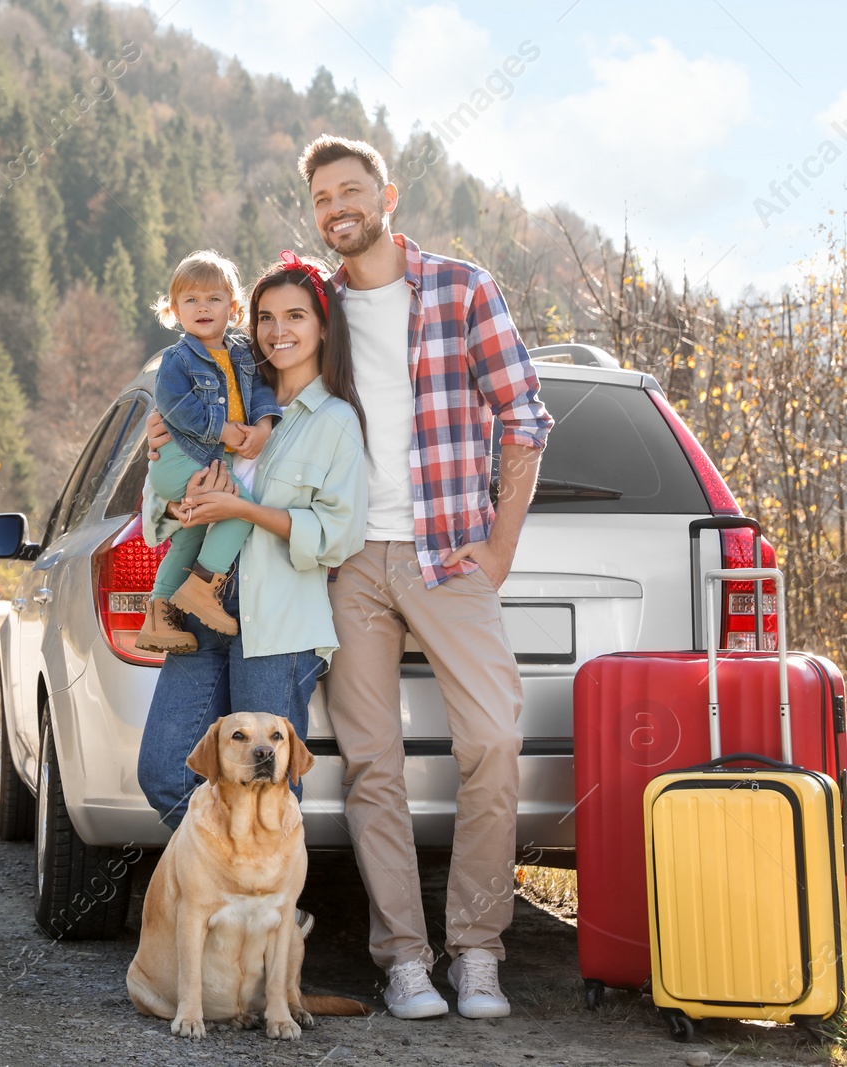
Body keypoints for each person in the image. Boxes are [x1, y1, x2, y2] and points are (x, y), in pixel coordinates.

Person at [298, 134, 554, 1021]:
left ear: (388, 194)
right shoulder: (316, 307)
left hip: (450, 552)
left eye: (351, 189)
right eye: (324, 195)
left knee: (492, 740)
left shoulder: (461, 287)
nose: (338, 206)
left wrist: (501, 549)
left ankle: (477, 950)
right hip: (348, 562)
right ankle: (404, 958)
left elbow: (524, 415)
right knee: (374, 765)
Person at [137, 254, 367, 829]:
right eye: (266, 317)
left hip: (278, 623)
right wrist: (172, 483)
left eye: (296, 316)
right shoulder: (212, 391)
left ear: (322, 327)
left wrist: (244, 510)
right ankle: (222, 871)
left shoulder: (334, 419)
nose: (278, 330)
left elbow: (336, 536)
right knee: (167, 770)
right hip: (198, 608)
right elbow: (155, 518)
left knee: (269, 785)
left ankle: (263, 906)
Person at [134, 250, 280, 654]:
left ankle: (160, 616)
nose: (203, 307)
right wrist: (226, 432)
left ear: (232, 308)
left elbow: (262, 392)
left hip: (203, 461)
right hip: (182, 458)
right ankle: (202, 586)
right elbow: (177, 408)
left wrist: (264, 425)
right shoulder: (178, 359)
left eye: (213, 299)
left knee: (188, 537)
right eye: (191, 300)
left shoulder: (241, 354)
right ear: (175, 310)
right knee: (240, 510)